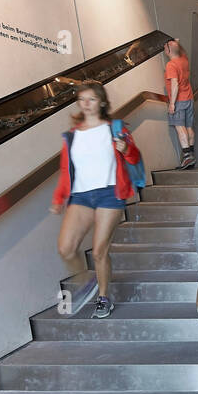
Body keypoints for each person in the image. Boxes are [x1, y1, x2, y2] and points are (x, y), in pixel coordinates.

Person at [51, 81, 141, 318]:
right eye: (82, 100)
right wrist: (59, 198)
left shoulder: (115, 129)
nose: (86, 104)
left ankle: (103, 297)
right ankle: (86, 281)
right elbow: (65, 170)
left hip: (109, 194)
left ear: (101, 101)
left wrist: (126, 149)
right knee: (66, 249)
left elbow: (134, 158)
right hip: (81, 196)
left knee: (100, 250)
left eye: (91, 99)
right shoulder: (71, 136)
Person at [164, 39, 195, 168]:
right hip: (189, 98)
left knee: (179, 126)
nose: (164, 50)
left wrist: (172, 104)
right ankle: (192, 155)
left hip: (179, 100)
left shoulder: (171, 65)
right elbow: (181, 51)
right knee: (189, 127)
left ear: (169, 50)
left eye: (165, 47)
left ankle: (187, 157)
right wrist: (177, 43)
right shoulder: (184, 60)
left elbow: (174, 84)